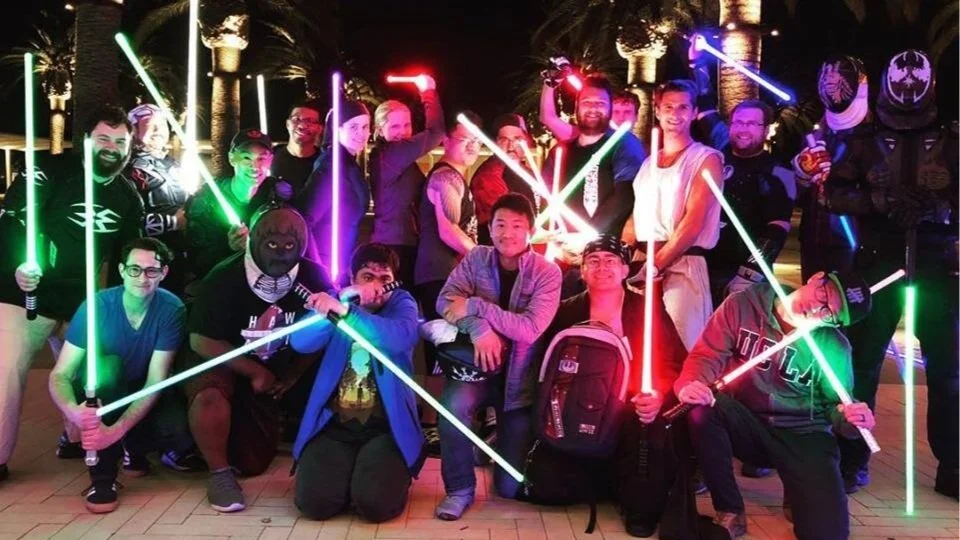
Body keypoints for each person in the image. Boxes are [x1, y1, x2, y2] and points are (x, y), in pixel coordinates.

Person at [824, 49, 958, 499]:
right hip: (878, 261)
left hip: (938, 264)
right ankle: (852, 457)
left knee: (949, 370)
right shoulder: (864, 140)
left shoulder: (951, 140)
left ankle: (953, 464)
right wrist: (879, 202)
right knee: (861, 364)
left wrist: (941, 209)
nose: (908, 89)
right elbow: (833, 193)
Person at [675, 271, 877, 539]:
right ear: (817, 278)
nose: (817, 309)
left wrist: (852, 421)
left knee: (827, 534)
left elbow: (836, 405)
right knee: (702, 407)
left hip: (804, 435)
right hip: (747, 423)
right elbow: (707, 355)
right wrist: (692, 384)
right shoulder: (743, 305)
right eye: (823, 294)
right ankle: (729, 509)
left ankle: (798, 489)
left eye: (829, 313)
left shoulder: (834, 346)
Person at [0, 105, 144, 481]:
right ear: (85, 140)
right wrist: (20, 264)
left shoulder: (128, 197)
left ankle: (78, 438)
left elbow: (128, 254)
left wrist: (122, 303)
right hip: (23, 292)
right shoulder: (48, 170)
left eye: (120, 142)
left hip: (80, 301)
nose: (111, 148)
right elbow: (14, 218)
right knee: (5, 367)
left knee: (95, 369)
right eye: (103, 139)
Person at [524, 234, 687, 537]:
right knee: (545, 486)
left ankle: (634, 502)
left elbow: (673, 360)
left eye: (611, 260)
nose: (602, 267)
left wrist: (657, 393)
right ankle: (606, 481)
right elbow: (545, 369)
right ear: (582, 271)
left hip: (632, 406)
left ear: (625, 269)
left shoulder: (647, 310)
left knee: (649, 449)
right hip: (577, 410)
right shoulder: (565, 312)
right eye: (593, 261)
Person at [180, 204, 333, 512]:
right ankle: (219, 474)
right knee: (209, 394)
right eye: (271, 244)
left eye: (289, 245)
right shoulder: (224, 276)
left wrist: (293, 374)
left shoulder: (314, 276)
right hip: (223, 360)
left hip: (274, 368)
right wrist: (252, 371)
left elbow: (326, 328)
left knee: (252, 462)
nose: (280, 254)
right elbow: (200, 340)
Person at [432, 193, 562, 520]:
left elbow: (529, 329)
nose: (508, 233)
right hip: (475, 369)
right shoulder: (477, 258)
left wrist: (477, 306)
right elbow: (445, 300)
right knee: (452, 409)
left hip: (519, 383)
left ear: (531, 231)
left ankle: (487, 447)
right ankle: (460, 489)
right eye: (500, 225)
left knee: (508, 487)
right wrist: (478, 329)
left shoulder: (547, 273)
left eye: (517, 226)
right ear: (490, 229)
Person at [47, 238, 185, 513]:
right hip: (101, 390)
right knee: (108, 369)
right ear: (121, 270)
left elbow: (155, 381)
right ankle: (102, 479)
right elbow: (60, 374)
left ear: (163, 273)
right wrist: (74, 412)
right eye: (134, 269)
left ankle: (133, 446)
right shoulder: (96, 306)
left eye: (151, 271)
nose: (142, 278)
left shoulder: (172, 309)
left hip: (139, 388)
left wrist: (117, 430)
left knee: (176, 430)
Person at [290, 243, 423, 523]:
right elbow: (300, 342)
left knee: (375, 506)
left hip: (385, 429)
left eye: (384, 279)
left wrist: (347, 313)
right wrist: (338, 304)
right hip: (334, 426)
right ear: (352, 278)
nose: (375, 287)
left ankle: (373, 475)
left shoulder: (402, 302)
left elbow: (399, 337)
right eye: (367, 277)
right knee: (314, 504)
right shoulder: (338, 299)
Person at [630, 80, 724, 351]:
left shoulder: (706, 159)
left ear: (694, 112)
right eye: (668, 107)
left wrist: (655, 266)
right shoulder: (649, 162)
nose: (675, 114)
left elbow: (693, 223)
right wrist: (627, 260)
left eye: (683, 107)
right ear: (657, 111)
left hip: (683, 266)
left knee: (682, 346)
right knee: (641, 347)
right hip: (643, 263)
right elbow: (637, 216)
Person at [413, 111, 482, 455]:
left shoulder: (456, 178)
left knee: (447, 350)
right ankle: (430, 428)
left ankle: (438, 424)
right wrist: (484, 258)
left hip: (447, 277)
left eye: (477, 140)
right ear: (446, 141)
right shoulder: (445, 178)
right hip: (441, 277)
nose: (472, 146)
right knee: (443, 351)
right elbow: (448, 230)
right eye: (465, 138)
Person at [695, 99, 795, 310]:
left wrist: (750, 272)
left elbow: (778, 229)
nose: (743, 129)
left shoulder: (780, 172)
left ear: (766, 129)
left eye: (752, 124)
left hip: (744, 277)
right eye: (738, 122)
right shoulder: (714, 158)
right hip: (702, 268)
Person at [792, 55, 872, 281]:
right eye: (826, 74)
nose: (829, 79)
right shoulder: (816, 136)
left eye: (838, 74)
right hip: (813, 238)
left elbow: (881, 192)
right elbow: (796, 194)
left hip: (855, 241)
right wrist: (801, 171)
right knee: (813, 299)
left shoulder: (873, 136)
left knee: (850, 299)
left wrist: (839, 178)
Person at [540, 75, 646, 238]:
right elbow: (545, 197)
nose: (593, 108)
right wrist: (552, 234)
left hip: (607, 247)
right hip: (561, 246)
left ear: (609, 108)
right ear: (576, 107)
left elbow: (624, 197)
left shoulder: (625, 144)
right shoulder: (560, 151)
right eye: (586, 102)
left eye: (601, 103)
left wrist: (586, 238)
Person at [368, 77, 444, 285]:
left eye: (407, 125)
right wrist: (428, 91)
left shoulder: (386, 156)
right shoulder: (393, 153)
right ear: (379, 129)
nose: (402, 132)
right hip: (396, 246)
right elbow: (437, 132)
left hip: (395, 242)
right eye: (394, 126)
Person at [186, 128, 288, 281]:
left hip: (268, 281)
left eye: (261, 158)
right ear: (232, 158)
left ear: (271, 160)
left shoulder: (278, 195)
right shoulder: (208, 199)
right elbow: (196, 261)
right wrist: (229, 248)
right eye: (246, 158)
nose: (255, 166)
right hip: (220, 282)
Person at [296, 99, 371, 286]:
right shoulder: (332, 165)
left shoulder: (348, 164)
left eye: (365, 127)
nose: (361, 133)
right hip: (327, 265)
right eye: (353, 127)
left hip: (340, 262)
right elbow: (305, 219)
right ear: (337, 129)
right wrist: (320, 269)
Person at [125, 104, 190, 295]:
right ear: (133, 130)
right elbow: (126, 220)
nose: (158, 130)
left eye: (162, 124)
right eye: (150, 125)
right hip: (145, 263)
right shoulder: (129, 169)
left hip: (178, 258)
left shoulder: (173, 165)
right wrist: (173, 222)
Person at [470, 113, 538, 245]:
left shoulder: (529, 173)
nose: (511, 146)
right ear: (495, 143)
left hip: (527, 251)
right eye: (504, 139)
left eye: (517, 139)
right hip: (499, 252)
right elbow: (507, 223)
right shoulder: (488, 176)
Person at [272, 101, 323, 195]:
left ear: (319, 129)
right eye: (296, 119)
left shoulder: (326, 163)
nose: (302, 126)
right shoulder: (270, 157)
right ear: (287, 124)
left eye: (310, 121)